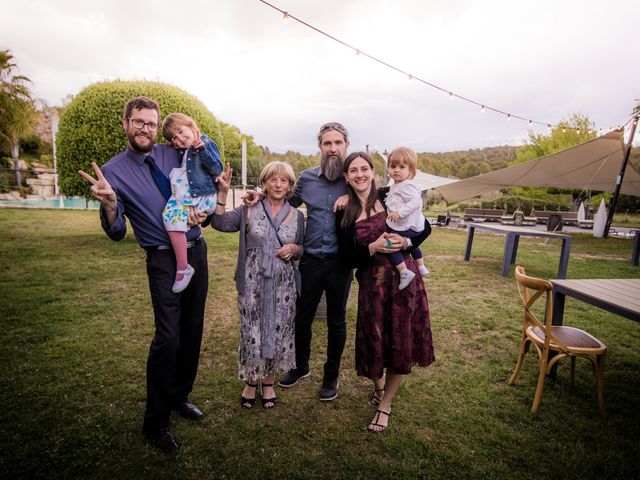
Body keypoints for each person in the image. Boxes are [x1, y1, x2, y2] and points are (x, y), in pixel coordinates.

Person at [78, 96, 208, 454]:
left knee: (192, 330)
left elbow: (199, 179)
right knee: (168, 338)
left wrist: (203, 211)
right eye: (139, 122)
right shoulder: (113, 171)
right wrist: (108, 204)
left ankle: (180, 397)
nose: (146, 129)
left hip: (197, 249)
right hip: (163, 260)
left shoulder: (172, 151)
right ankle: (156, 421)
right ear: (126, 123)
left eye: (151, 123)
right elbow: (117, 231)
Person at [243, 121, 352, 401]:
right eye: (327, 143)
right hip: (310, 259)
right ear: (319, 146)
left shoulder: (354, 178)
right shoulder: (306, 178)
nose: (332, 148)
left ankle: (331, 376)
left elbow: (374, 202)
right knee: (301, 317)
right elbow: (282, 197)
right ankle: (300, 366)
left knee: (336, 321)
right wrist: (258, 195)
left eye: (337, 143)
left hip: (341, 261)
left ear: (346, 146)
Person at [336, 151, 435, 432]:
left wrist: (406, 240)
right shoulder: (344, 209)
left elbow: (424, 227)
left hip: (403, 281)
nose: (360, 175)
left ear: (373, 171)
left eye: (364, 168)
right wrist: (372, 248)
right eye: (353, 170)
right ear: (346, 177)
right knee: (375, 338)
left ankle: (385, 404)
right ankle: (378, 386)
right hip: (372, 285)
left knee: (399, 339)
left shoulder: (391, 195)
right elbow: (346, 257)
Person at [212, 161, 304, 409]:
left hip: (283, 286)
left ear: (290, 186)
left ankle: (269, 382)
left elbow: (303, 249)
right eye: (272, 179)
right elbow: (219, 224)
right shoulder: (249, 208)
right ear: (263, 183)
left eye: (283, 180)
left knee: (277, 332)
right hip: (252, 282)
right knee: (252, 331)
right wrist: (222, 194)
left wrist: (295, 248)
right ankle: (251, 382)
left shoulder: (298, 216)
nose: (278, 184)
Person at [160, 113, 223, 293]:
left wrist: (202, 149)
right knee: (169, 218)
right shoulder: (184, 149)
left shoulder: (206, 143)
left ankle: (182, 268)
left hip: (201, 197)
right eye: (174, 138)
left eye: (180, 131)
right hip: (188, 197)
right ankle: (183, 267)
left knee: (172, 219)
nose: (180, 139)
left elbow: (217, 169)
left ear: (191, 125)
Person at [384, 146, 429, 290]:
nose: (396, 170)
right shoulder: (397, 185)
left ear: (411, 171)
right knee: (412, 246)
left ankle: (404, 272)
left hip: (406, 226)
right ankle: (421, 267)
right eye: (393, 166)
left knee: (390, 244)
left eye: (402, 167)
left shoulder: (406, 186)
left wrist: (400, 213)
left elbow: (416, 201)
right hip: (413, 226)